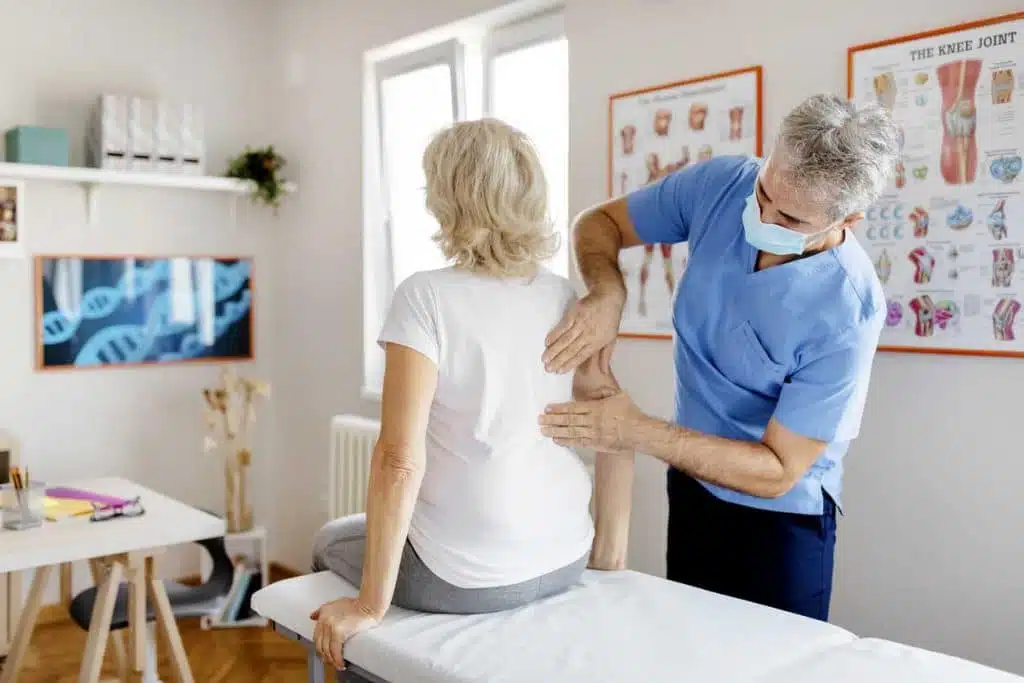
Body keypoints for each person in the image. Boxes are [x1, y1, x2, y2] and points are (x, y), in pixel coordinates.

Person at [538, 93, 900, 622]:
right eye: (765, 192)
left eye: (791, 218)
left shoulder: (848, 308)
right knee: (688, 649)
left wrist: (634, 432)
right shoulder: (723, 185)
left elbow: (778, 471)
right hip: (691, 485)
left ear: (849, 219)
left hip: (779, 523)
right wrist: (608, 294)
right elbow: (599, 225)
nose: (762, 216)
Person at [309, 118, 634, 670]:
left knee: (328, 541)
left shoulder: (425, 297)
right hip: (566, 553)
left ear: (449, 198)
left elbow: (398, 460)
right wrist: (608, 554)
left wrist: (368, 605)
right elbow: (612, 421)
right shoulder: (561, 294)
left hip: (463, 574)